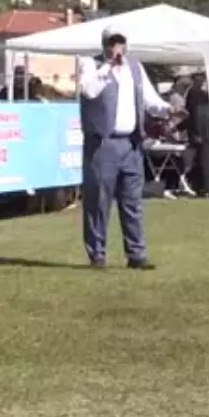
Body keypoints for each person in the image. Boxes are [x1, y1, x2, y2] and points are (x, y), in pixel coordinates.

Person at [78, 25, 182, 268]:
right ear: (104, 45)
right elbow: (88, 91)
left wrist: (167, 108)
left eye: (120, 42)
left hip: (132, 143)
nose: (116, 47)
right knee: (98, 202)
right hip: (103, 143)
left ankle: (136, 254)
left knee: (132, 200)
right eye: (111, 42)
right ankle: (97, 254)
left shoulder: (135, 67)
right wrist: (108, 67)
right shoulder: (91, 65)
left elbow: (149, 99)